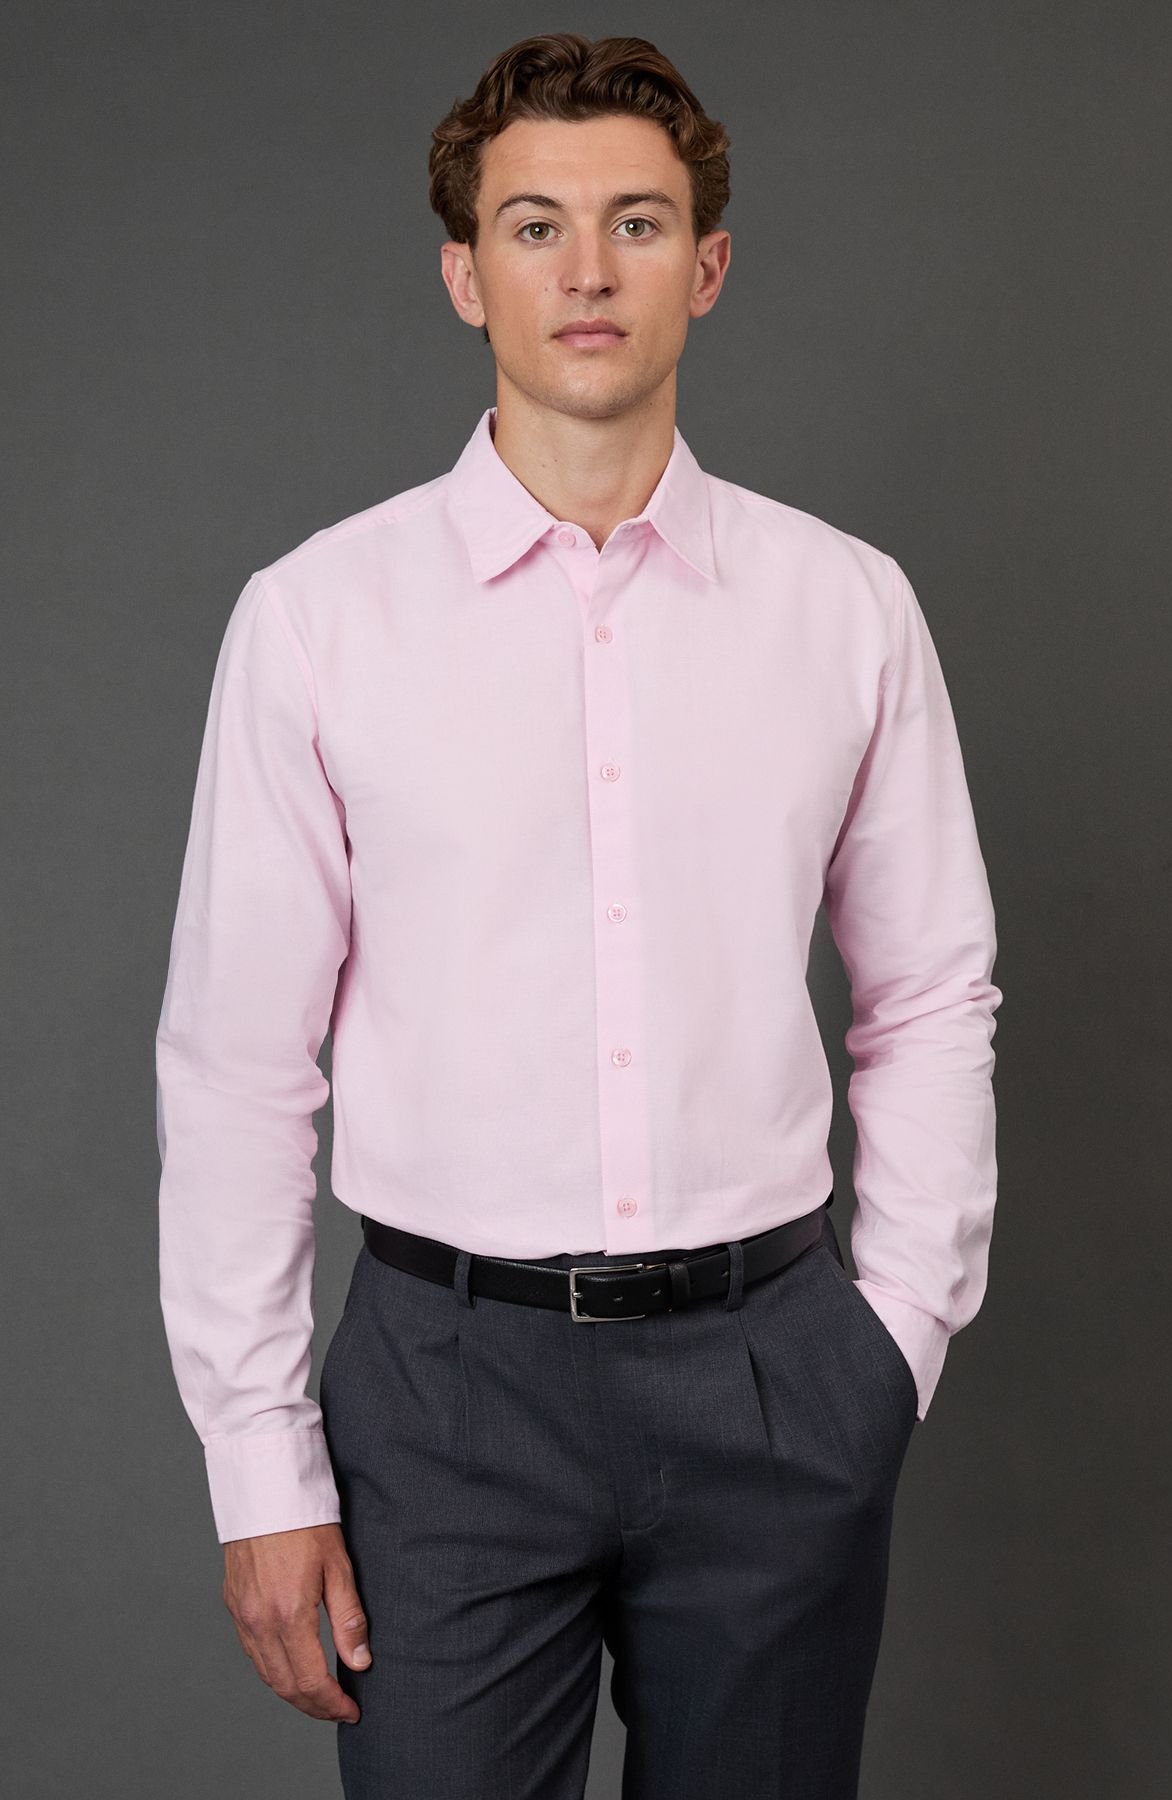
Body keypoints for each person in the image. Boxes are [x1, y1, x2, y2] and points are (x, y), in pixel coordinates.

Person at [155, 30, 1002, 1800]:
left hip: (777, 1377)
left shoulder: (846, 609)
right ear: (467, 275)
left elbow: (929, 993)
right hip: (443, 1393)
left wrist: (892, 1343)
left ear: (708, 265)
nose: (589, 271)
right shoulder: (319, 621)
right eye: (535, 226)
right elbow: (238, 1064)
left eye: (638, 222)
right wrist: (260, 1467)